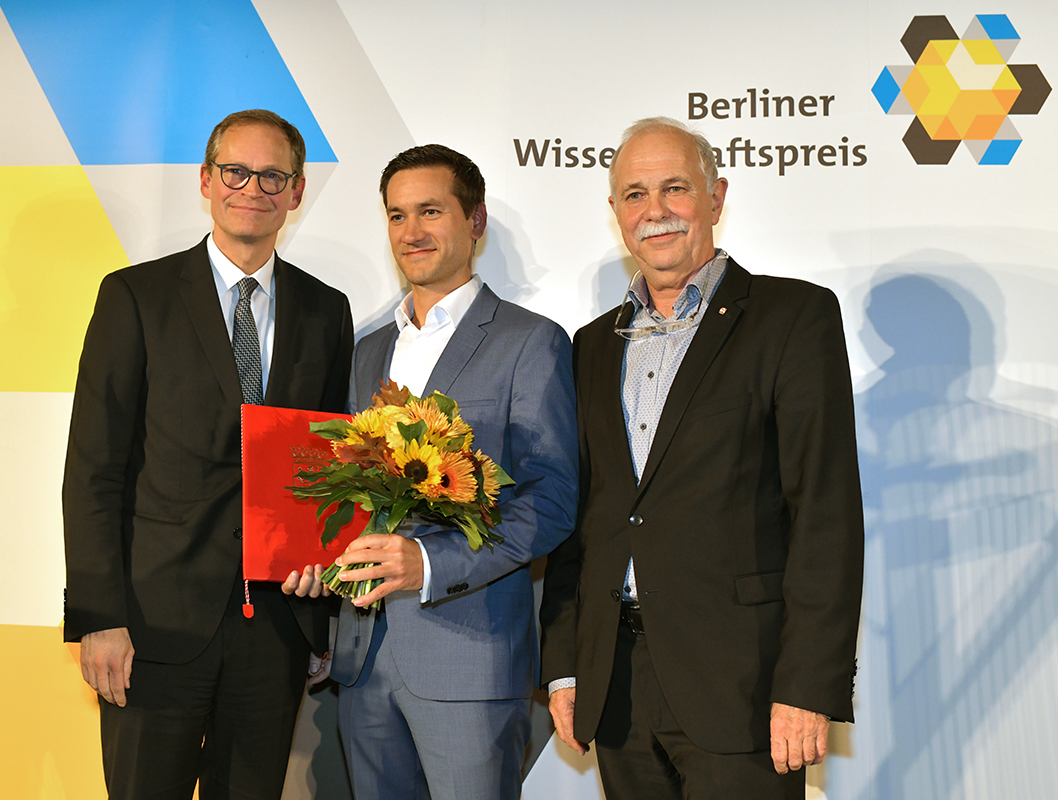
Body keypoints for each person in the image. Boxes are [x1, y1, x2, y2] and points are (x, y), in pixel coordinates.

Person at [538, 117, 864, 799]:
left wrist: (808, 685)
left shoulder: (792, 316)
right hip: (616, 684)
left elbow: (824, 513)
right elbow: (582, 516)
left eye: (675, 188)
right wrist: (566, 664)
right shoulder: (590, 345)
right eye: (634, 195)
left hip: (744, 685)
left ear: (715, 198)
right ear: (615, 212)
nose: (654, 211)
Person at [62, 109, 354, 799]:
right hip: (152, 626)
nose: (253, 188)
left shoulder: (326, 310)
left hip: (276, 628)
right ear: (205, 179)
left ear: (296, 191)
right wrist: (100, 617)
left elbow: (329, 468)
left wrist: (322, 610)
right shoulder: (136, 296)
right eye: (236, 171)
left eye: (272, 176)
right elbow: (94, 469)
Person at [293, 144, 578, 800]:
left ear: (475, 221)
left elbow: (553, 498)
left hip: (469, 659)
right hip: (362, 660)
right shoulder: (367, 352)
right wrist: (317, 583)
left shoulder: (530, 342)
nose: (411, 231)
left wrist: (430, 561)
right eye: (397, 215)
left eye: (430, 211)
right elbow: (349, 497)